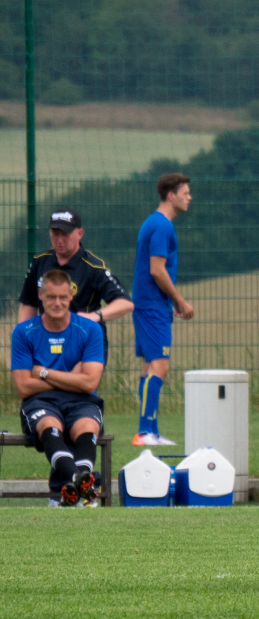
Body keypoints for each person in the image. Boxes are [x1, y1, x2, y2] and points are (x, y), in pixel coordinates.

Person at [18, 208, 133, 503]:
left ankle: (65, 490)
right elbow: (27, 306)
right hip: (44, 345)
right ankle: (74, 488)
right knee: (54, 417)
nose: (59, 239)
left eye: (65, 234)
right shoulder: (40, 264)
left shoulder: (92, 266)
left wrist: (95, 316)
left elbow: (124, 303)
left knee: (80, 410)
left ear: (79, 234)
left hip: (83, 347)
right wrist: (27, 342)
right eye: (54, 233)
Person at [11, 270, 105, 506]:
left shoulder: (90, 330)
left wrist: (44, 372)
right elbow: (23, 387)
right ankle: (82, 482)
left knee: (87, 426)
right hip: (41, 402)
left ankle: (74, 486)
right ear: (41, 295)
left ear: (71, 295)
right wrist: (72, 378)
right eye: (51, 297)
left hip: (82, 401)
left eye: (63, 297)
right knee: (49, 425)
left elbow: (90, 383)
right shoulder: (23, 332)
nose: (57, 303)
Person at [131, 173, 195, 447]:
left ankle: (151, 432)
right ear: (171, 195)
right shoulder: (162, 226)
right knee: (160, 366)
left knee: (150, 367)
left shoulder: (155, 223)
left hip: (150, 304)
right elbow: (157, 270)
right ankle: (144, 431)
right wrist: (180, 300)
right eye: (185, 192)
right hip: (152, 305)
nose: (189, 197)